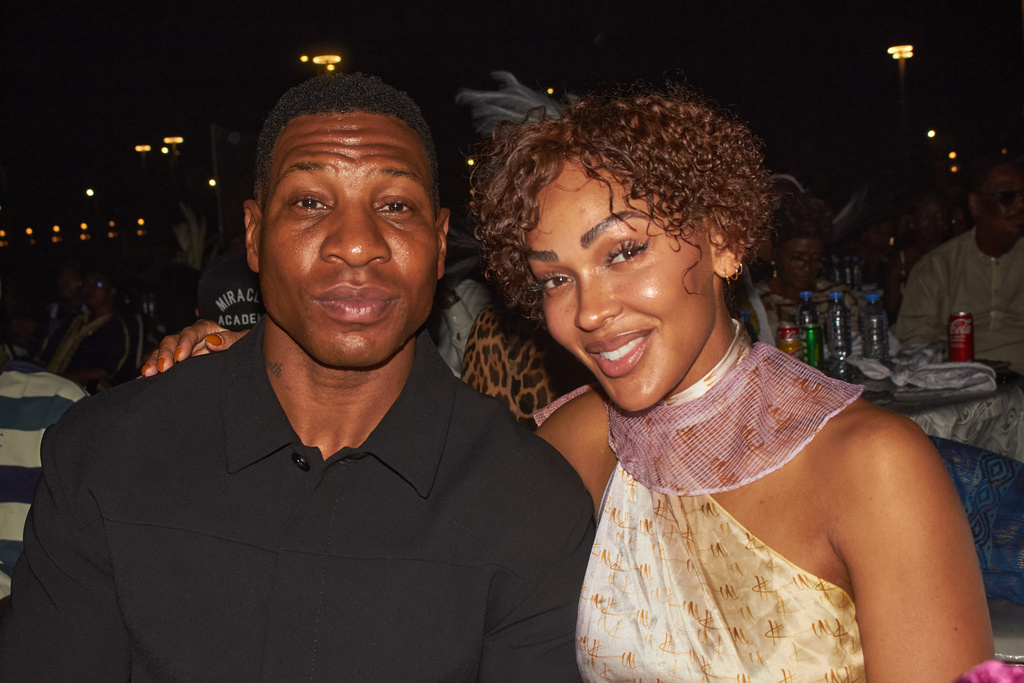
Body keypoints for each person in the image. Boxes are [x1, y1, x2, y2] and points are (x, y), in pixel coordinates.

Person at [0, 73, 593, 681]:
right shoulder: (104, 456)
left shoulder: (531, 506)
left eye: (394, 206)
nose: (357, 245)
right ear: (253, 237)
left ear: (440, 245)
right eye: (310, 202)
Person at [473, 86, 991, 680]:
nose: (588, 312)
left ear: (723, 241)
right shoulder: (578, 445)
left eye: (623, 252)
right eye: (555, 279)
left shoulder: (874, 466)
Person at [894, 159, 1024, 372]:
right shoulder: (937, 267)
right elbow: (914, 344)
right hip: (960, 384)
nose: (1020, 205)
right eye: (1007, 197)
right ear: (976, 205)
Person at [746, 189, 860, 343]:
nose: (807, 267)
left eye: (815, 259)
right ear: (775, 254)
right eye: (797, 258)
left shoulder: (839, 300)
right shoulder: (755, 303)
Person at [34, 268, 132, 392]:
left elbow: (105, 371)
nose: (90, 289)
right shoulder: (73, 320)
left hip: (78, 394)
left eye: (98, 284)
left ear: (111, 291)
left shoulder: (116, 327)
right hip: (48, 387)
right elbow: (43, 357)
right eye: (87, 284)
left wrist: (57, 380)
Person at [884, 192, 950, 322]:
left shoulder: (955, 256)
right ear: (912, 222)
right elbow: (891, 310)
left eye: (939, 216)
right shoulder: (902, 260)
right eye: (926, 215)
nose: (932, 221)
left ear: (946, 224)